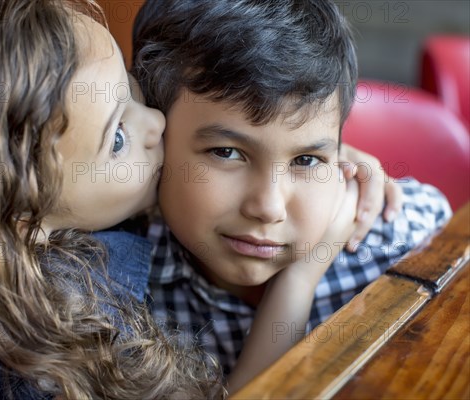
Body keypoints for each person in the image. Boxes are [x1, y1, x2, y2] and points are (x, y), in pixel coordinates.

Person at [0, 0, 223, 398]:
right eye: (117, 139)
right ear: (24, 222)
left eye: (127, 84)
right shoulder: (58, 354)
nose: (156, 121)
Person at [131, 0, 452, 391]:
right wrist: (300, 278)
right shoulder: (113, 278)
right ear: (154, 140)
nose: (268, 207)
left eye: (306, 159)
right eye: (226, 152)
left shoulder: (401, 250)